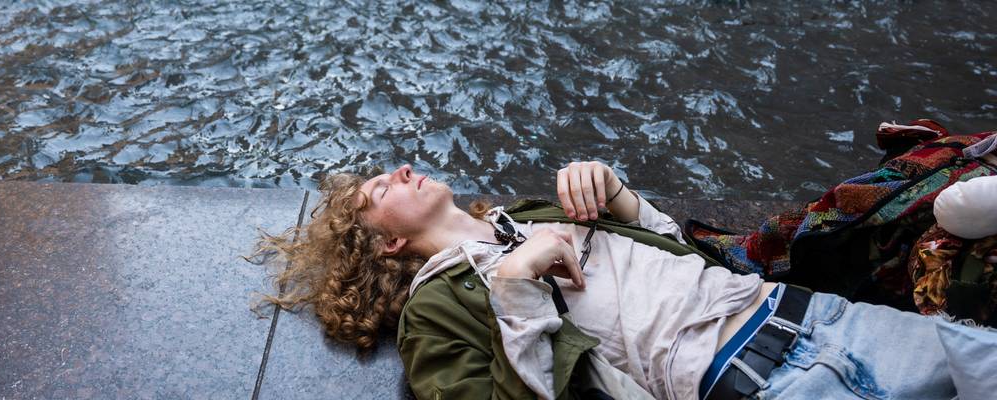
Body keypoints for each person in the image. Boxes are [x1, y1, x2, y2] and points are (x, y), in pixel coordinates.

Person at [258, 161, 997, 400]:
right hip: (755, 383)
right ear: (385, 243)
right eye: (375, 190)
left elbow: (685, 258)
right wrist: (514, 281)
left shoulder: (536, 208)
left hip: (817, 315)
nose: (397, 170)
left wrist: (618, 195)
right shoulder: (434, 314)